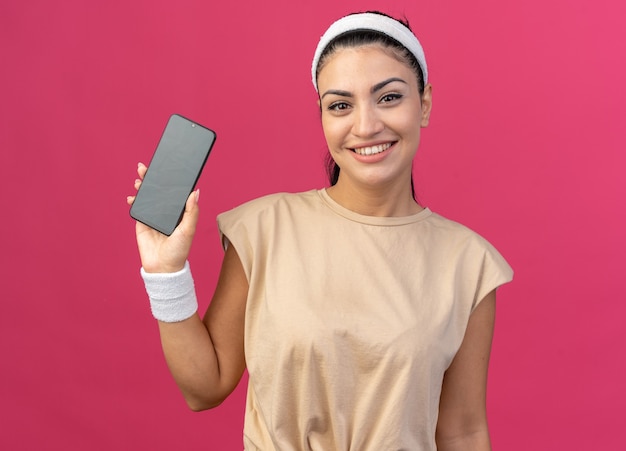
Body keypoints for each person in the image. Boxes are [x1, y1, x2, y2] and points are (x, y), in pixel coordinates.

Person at [127, 11, 513, 451]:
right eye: (341, 105)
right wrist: (165, 272)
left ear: (423, 105)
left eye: (388, 98)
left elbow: (462, 431)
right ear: (324, 117)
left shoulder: (469, 264)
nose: (365, 126)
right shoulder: (264, 230)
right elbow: (204, 387)